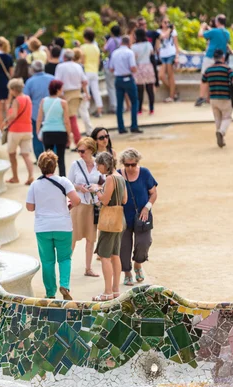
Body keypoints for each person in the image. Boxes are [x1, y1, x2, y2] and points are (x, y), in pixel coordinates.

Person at [26, 150, 81, 300]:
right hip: (63, 226)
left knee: (47, 261)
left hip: (43, 228)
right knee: (64, 259)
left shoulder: (35, 185)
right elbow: (76, 200)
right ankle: (65, 285)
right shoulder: (64, 181)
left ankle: (50, 293)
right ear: (55, 165)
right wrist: (68, 206)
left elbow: (30, 207)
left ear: (39, 166)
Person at [117, 148, 157, 287]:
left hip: (142, 216)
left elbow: (153, 193)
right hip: (123, 217)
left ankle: (138, 264)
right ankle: (127, 273)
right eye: (127, 165)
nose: (130, 168)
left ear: (137, 162)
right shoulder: (118, 175)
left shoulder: (145, 173)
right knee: (124, 247)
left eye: (133, 165)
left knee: (144, 243)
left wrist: (147, 207)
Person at [92, 152, 127, 301]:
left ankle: (107, 292)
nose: (97, 168)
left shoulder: (110, 178)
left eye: (98, 165)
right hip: (120, 219)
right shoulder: (120, 177)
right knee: (115, 255)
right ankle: (115, 290)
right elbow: (124, 199)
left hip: (109, 221)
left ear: (104, 164)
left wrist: (97, 190)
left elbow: (105, 201)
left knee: (105, 256)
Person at [68, 137, 102, 278]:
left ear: (91, 150)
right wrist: (78, 187)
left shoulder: (98, 165)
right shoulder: (75, 164)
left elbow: (104, 183)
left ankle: (88, 268)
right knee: (73, 237)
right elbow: (68, 183)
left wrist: (96, 187)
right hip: (78, 205)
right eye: (78, 150)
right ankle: (66, 267)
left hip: (93, 205)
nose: (80, 153)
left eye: (82, 151)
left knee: (91, 238)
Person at [201, 49, 233, 147]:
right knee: (227, 117)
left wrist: (205, 96)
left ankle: (219, 134)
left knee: (217, 118)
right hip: (225, 97)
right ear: (223, 57)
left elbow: (204, 81)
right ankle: (221, 132)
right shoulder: (226, 68)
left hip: (213, 98)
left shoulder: (208, 69)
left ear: (214, 58)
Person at [109, 36, 143, 134]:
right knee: (134, 102)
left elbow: (111, 68)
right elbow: (133, 67)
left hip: (118, 79)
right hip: (128, 78)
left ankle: (121, 127)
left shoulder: (115, 53)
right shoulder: (129, 52)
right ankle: (134, 125)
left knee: (119, 104)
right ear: (129, 43)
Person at [36, 79, 71, 176]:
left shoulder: (43, 101)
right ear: (58, 89)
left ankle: (47, 177)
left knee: (47, 159)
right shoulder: (63, 102)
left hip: (47, 131)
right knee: (61, 159)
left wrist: (38, 130)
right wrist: (69, 134)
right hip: (60, 132)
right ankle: (63, 179)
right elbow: (66, 121)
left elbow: (39, 118)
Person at [4, 78, 35, 185]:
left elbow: (13, 115)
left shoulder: (16, 100)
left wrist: (6, 120)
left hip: (16, 130)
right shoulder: (28, 98)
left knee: (12, 154)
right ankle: (31, 175)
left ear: (13, 89)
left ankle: (15, 177)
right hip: (27, 129)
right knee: (26, 155)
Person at [196, 15, 231, 106]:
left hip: (210, 56)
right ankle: (209, 98)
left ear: (218, 22)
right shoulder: (227, 33)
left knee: (205, 76)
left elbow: (200, 35)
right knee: (215, 77)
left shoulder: (214, 31)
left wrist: (202, 27)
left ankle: (201, 97)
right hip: (220, 58)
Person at [55, 49, 88, 146]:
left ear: (64, 57)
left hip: (64, 94)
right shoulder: (78, 66)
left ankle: (71, 141)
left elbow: (57, 82)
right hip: (77, 93)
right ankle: (72, 141)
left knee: (68, 118)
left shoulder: (60, 66)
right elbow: (84, 81)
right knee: (71, 118)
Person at [24, 60, 54, 160]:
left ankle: (40, 158)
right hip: (52, 111)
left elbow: (26, 97)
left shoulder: (29, 82)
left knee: (36, 136)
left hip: (35, 113)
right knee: (52, 134)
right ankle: (53, 156)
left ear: (32, 69)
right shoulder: (52, 78)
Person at [80, 28, 104, 117]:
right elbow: (98, 61)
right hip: (94, 71)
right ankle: (99, 110)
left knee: (87, 92)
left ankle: (86, 110)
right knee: (96, 91)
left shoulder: (83, 47)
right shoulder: (96, 47)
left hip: (86, 71)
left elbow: (82, 61)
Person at [132, 28, 156, 115]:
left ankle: (139, 110)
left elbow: (134, 59)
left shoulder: (133, 47)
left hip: (139, 68)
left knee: (140, 90)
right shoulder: (148, 44)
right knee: (150, 90)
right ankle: (151, 109)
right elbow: (152, 54)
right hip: (148, 67)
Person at [156, 16, 179, 102]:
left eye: (168, 22)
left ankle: (171, 96)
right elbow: (162, 38)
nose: (167, 24)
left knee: (170, 75)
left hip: (171, 53)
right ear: (161, 23)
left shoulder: (173, 32)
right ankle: (174, 92)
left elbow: (176, 44)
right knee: (161, 75)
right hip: (162, 55)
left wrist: (177, 56)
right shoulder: (158, 32)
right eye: (165, 22)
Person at [73, 48, 94, 136]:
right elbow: (84, 82)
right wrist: (87, 93)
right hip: (81, 91)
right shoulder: (80, 66)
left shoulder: (71, 66)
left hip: (73, 92)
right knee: (84, 113)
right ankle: (89, 131)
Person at [104, 25, 122, 114]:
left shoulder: (111, 40)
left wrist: (105, 42)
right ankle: (122, 106)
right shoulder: (121, 40)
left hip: (111, 65)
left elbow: (105, 49)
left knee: (111, 87)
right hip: (120, 66)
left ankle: (114, 106)